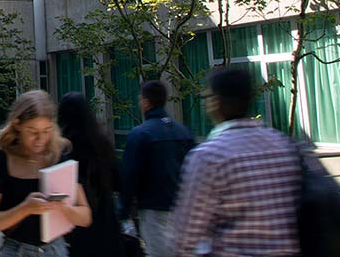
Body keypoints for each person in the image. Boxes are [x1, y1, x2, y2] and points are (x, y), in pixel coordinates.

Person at [172, 66, 301, 257]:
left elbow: (186, 236)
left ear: (216, 102)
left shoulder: (209, 156)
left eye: (207, 97)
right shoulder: (283, 144)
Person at [0, 90, 92, 257]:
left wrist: (64, 208)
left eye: (46, 131)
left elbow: (85, 216)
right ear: (17, 125)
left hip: (56, 249)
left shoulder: (58, 156)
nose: (40, 139)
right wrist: (25, 208)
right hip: (16, 251)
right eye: (32, 131)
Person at [118, 79, 194, 257]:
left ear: (145, 102)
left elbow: (130, 176)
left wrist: (123, 211)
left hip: (154, 209)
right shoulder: (183, 132)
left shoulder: (140, 134)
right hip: (184, 210)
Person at [57, 92, 122, 257]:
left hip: (76, 219)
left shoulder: (64, 147)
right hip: (106, 217)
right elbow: (118, 181)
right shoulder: (102, 142)